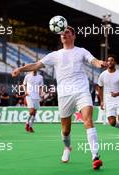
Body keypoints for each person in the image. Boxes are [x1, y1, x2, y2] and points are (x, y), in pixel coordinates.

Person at [11, 26, 106, 170]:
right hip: (64, 95)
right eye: (62, 33)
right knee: (66, 131)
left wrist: (99, 63)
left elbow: (92, 60)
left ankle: (95, 156)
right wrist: (20, 69)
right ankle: (67, 148)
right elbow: (37, 64)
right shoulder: (55, 55)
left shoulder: (81, 51)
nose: (64, 34)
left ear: (74, 36)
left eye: (67, 32)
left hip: (82, 91)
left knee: (88, 120)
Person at [97, 55, 119, 146]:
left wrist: (116, 94)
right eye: (108, 61)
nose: (110, 62)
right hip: (108, 101)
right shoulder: (102, 75)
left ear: (115, 62)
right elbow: (99, 88)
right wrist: (101, 101)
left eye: (112, 60)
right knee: (112, 123)